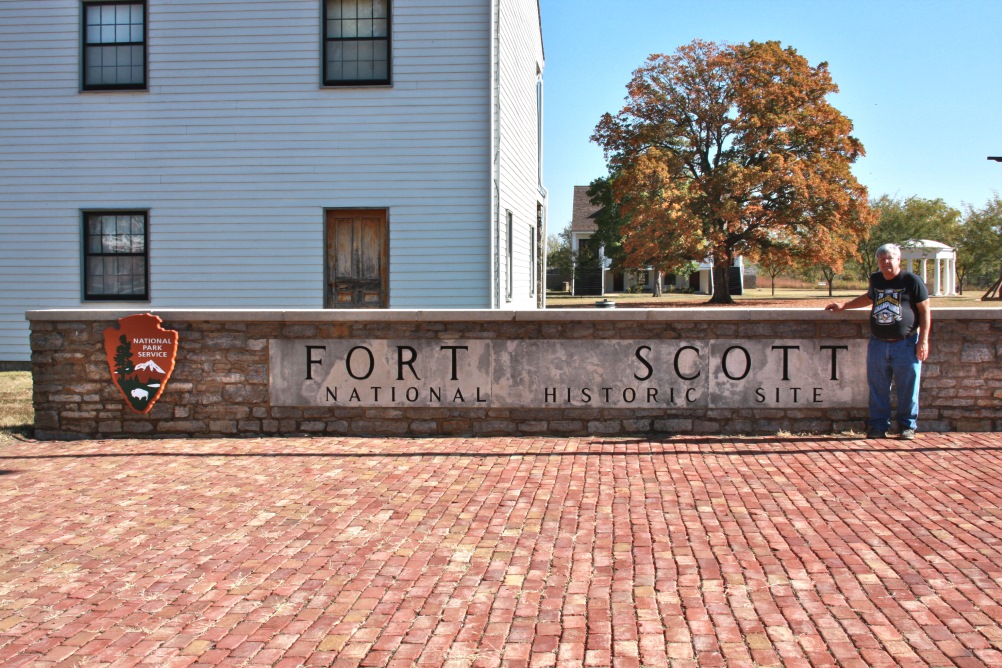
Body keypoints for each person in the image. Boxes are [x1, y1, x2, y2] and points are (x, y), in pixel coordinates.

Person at [825, 243, 931, 440]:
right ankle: (878, 426)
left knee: (908, 387)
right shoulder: (876, 279)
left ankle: (907, 427)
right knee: (877, 387)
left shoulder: (912, 280)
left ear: (898, 259)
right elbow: (869, 298)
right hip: (878, 343)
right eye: (882, 259)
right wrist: (844, 306)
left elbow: (925, 312)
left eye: (890, 258)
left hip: (906, 343)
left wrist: (923, 341)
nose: (886, 262)